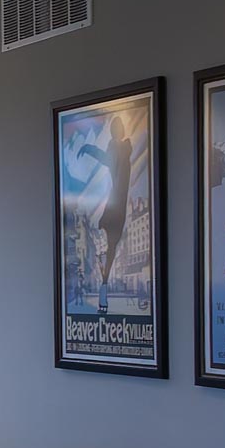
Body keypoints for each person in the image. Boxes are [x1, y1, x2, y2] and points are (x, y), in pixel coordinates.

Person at [75, 112, 136, 310]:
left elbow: (107, 158)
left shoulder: (118, 148)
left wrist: (90, 148)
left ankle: (103, 285)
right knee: (110, 246)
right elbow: (109, 160)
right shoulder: (124, 150)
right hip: (117, 205)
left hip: (115, 205)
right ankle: (103, 284)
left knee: (108, 244)